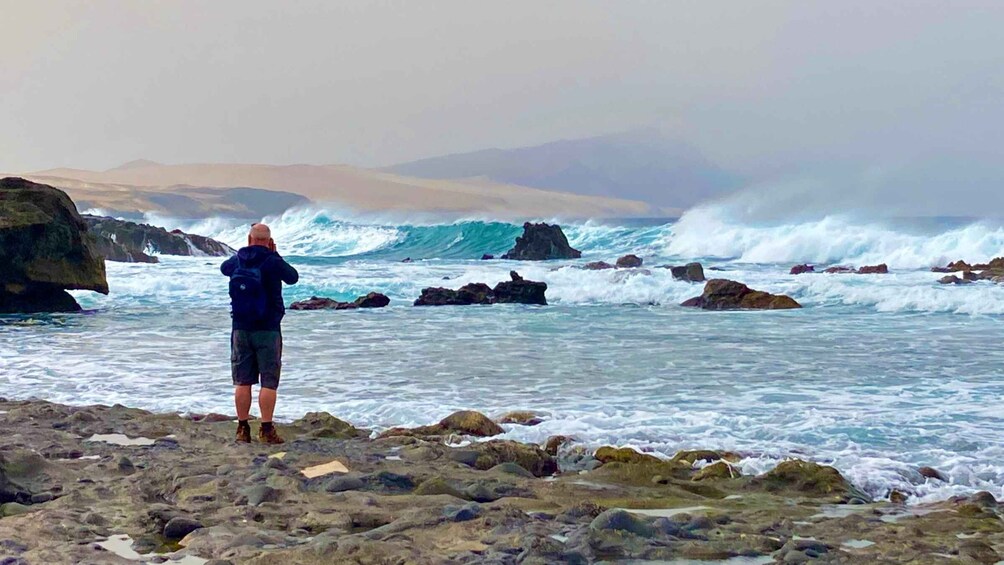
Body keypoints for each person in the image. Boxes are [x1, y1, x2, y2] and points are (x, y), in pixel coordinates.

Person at [220, 223, 298, 444]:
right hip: (268, 329)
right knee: (268, 382)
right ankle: (266, 428)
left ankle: (243, 428)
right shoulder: (272, 261)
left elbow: (224, 269)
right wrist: (276, 254)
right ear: (269, 241)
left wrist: (244, 253)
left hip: (240, 328)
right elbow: (293, 277)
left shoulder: (238, 260)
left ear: (249, 238)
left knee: (242, 381)